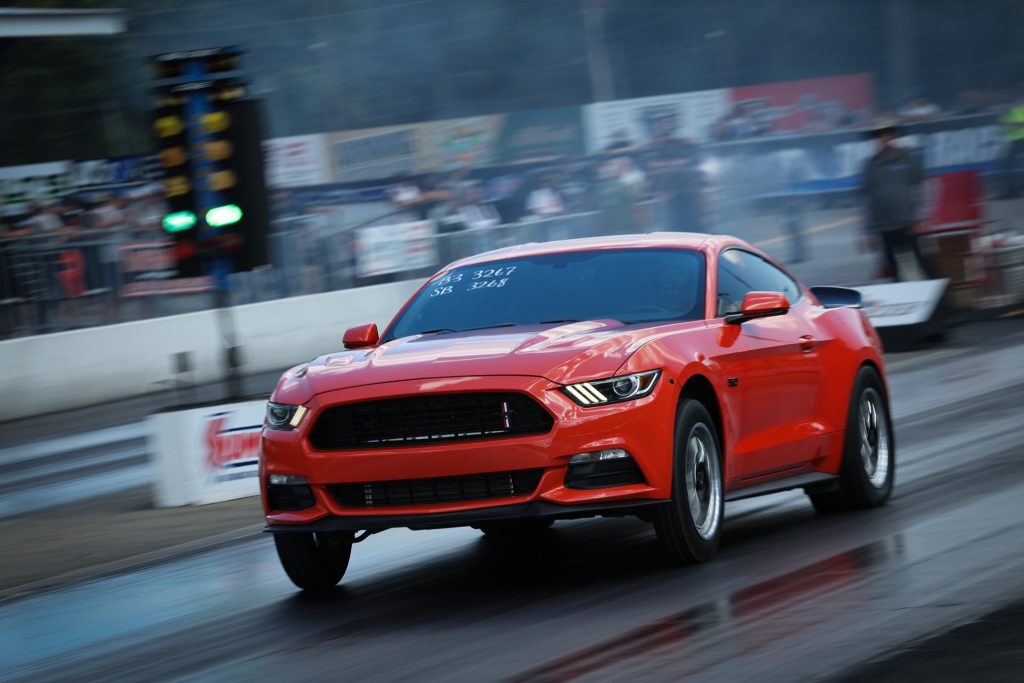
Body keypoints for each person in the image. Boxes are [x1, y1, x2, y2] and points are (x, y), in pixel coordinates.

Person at [861, 118, 934, 282]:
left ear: (893, 135)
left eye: (886, 133)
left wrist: (920, 217)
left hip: (908, 224)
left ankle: (940, 304)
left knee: (923, 265)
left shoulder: (906, 158)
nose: (883, 137)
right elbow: (866, 200)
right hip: (884, 227)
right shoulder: (870, 164)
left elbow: (923, 186)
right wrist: (867, 231)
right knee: (893, 271)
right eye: (878, 134)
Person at [1000, 85, 1024, 198]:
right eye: (1004, 105)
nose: (1005, 106)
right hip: (1015, 141)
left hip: (1021, 139)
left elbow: (1020, 124)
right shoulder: (1005, 113)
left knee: (1008, 164)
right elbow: (1001, 124)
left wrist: (1009, 124)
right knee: (1007, 164)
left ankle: (1013, 190)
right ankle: (1012, 190)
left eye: (1007, 104)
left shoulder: (1016, 111)